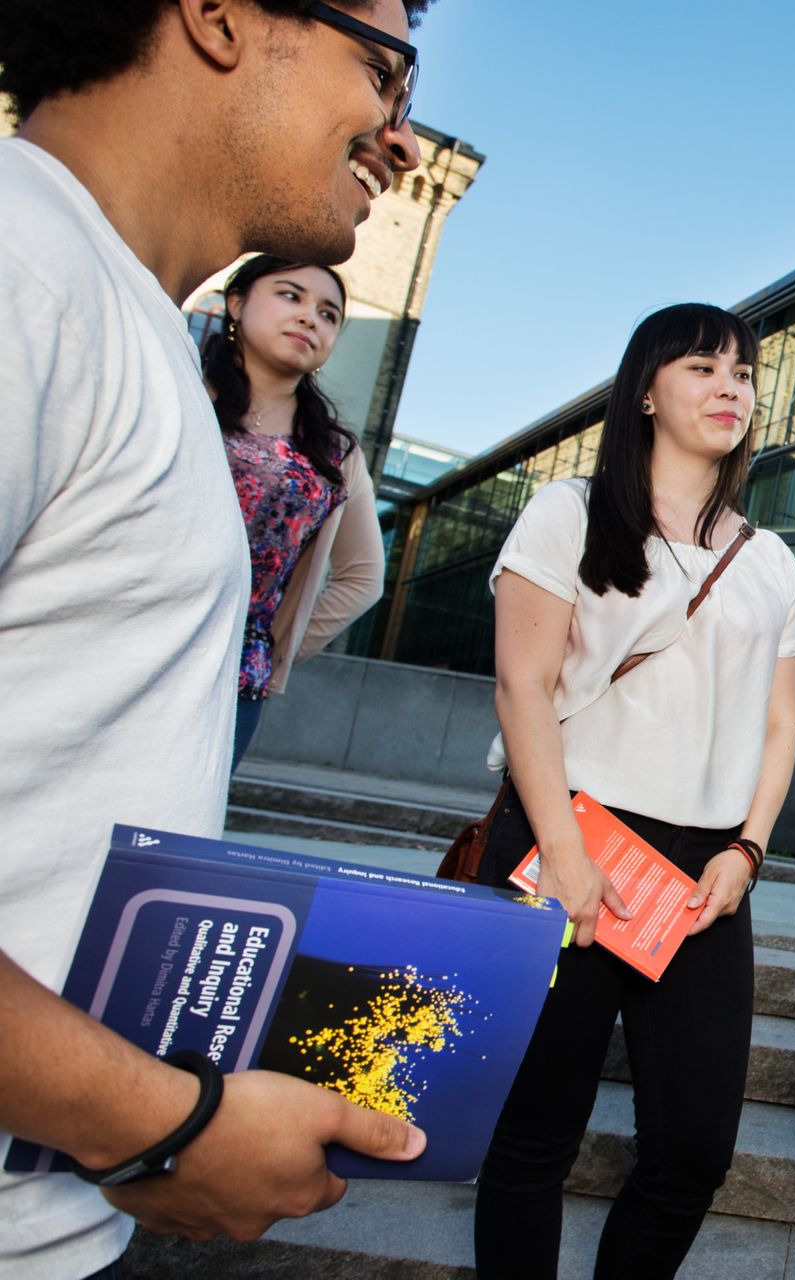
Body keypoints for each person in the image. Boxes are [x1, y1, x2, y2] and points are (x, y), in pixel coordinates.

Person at [0, 2, 430, 1274]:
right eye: (386, 71)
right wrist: (169, 1121)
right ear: (222, 16)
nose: (401, 139)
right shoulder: (26, 274)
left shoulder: (107, 311)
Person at [470, 303, 795, 1280]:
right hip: (566, 835)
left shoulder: (771, 560)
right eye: (704, 367)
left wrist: (747, 848)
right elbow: (521, 686)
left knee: (694, 1150)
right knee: (535, 1135)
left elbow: (779, 722)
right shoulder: (570, 512)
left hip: (704, 868)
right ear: (648, 390)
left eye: (743, 372)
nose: (730, 388)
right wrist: (568, 856)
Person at [203, 254, 384, 771]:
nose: (310, 317)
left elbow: (364, 578)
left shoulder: (334, 453)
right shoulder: (180, 392)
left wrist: (275, 642)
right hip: (122, 642)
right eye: (291, 295)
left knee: (165, 842)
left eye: (329, 315)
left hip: (233, 681)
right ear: (236, 303)